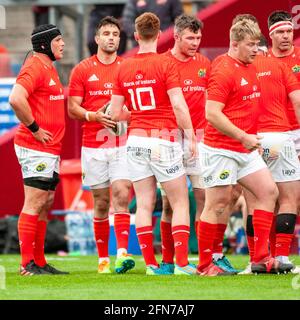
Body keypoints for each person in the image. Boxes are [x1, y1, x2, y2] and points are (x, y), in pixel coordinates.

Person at [197, 19, 292, 276]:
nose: (256, 49)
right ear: (234, 44)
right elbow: (212, 114)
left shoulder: (250, 65)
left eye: (257, 44)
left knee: (268, 192)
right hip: (221, 148)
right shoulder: (223, 70)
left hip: (245, 147)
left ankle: (261, 258)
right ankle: (205, 265)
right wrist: (243, 136)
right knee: (217, 204)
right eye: (250, 45)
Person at [110, 12, 197, 275]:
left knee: (145, 204)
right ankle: (181, 264)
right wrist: (191, 135)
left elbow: (114, 114)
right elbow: (179, 106)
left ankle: (150, 265)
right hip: (163, 139)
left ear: (135, 36)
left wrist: (137, 115)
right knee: (180, 202)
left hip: (135, 140)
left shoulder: (122, 66)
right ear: (160, 35)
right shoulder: (165, 63)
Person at [68, 16, 134, 274]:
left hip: (121, 143)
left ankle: (122, 255)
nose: (110, 37)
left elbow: (134, 106)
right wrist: (93, 116)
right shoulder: (82, 69)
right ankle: (103, 259)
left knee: (121, 193)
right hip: (93, 145)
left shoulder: (126, 68)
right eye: (106, 33)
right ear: (96, 39)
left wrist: (125, 114)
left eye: (115, 34)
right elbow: (72, 107)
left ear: (120, 39)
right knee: (101, 202)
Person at [9, 24, 68, 275]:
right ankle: (26, 264)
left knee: (46, 202)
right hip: (35, 146)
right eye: (58, 40)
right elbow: (16, 98)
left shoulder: (49, 67)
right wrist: (34, 128)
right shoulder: (34, 66)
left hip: (50, 148)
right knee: (34, 203)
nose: (63, 44)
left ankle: (40, 261)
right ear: (45, 44)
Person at [240, 43, 300, 274]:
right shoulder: (279, 65)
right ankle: (282, 258)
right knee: (288, 199)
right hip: (278, 136)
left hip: (251, 139)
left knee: (254, 202)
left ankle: (256, 260)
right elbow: (296, 101)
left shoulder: (238, 69)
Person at [157, 14, 210, 274]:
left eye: (198, 38)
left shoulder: (203, 62)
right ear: (176, 37)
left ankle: (204, 259)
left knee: (204, 198)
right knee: (169, 203)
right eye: (190, 37)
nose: (195, 43)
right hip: (169, 138)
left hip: (200, 138)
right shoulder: (162, 63)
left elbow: (210, 99)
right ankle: (168, 260)